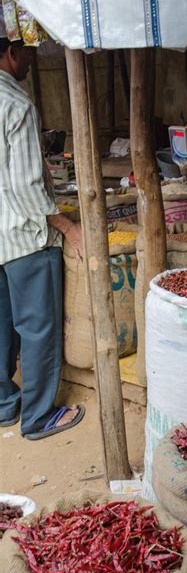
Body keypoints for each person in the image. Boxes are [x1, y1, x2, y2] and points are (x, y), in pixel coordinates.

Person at [0, 36, 85, 440]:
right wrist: (67, 226)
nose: (32, 61)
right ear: (12, 54)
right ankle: (37, 417)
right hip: (24, 237)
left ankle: (4, 405)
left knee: (0, 325)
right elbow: (26, 186)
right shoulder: (17, 104)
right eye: (29, 52)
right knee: (37, 328)